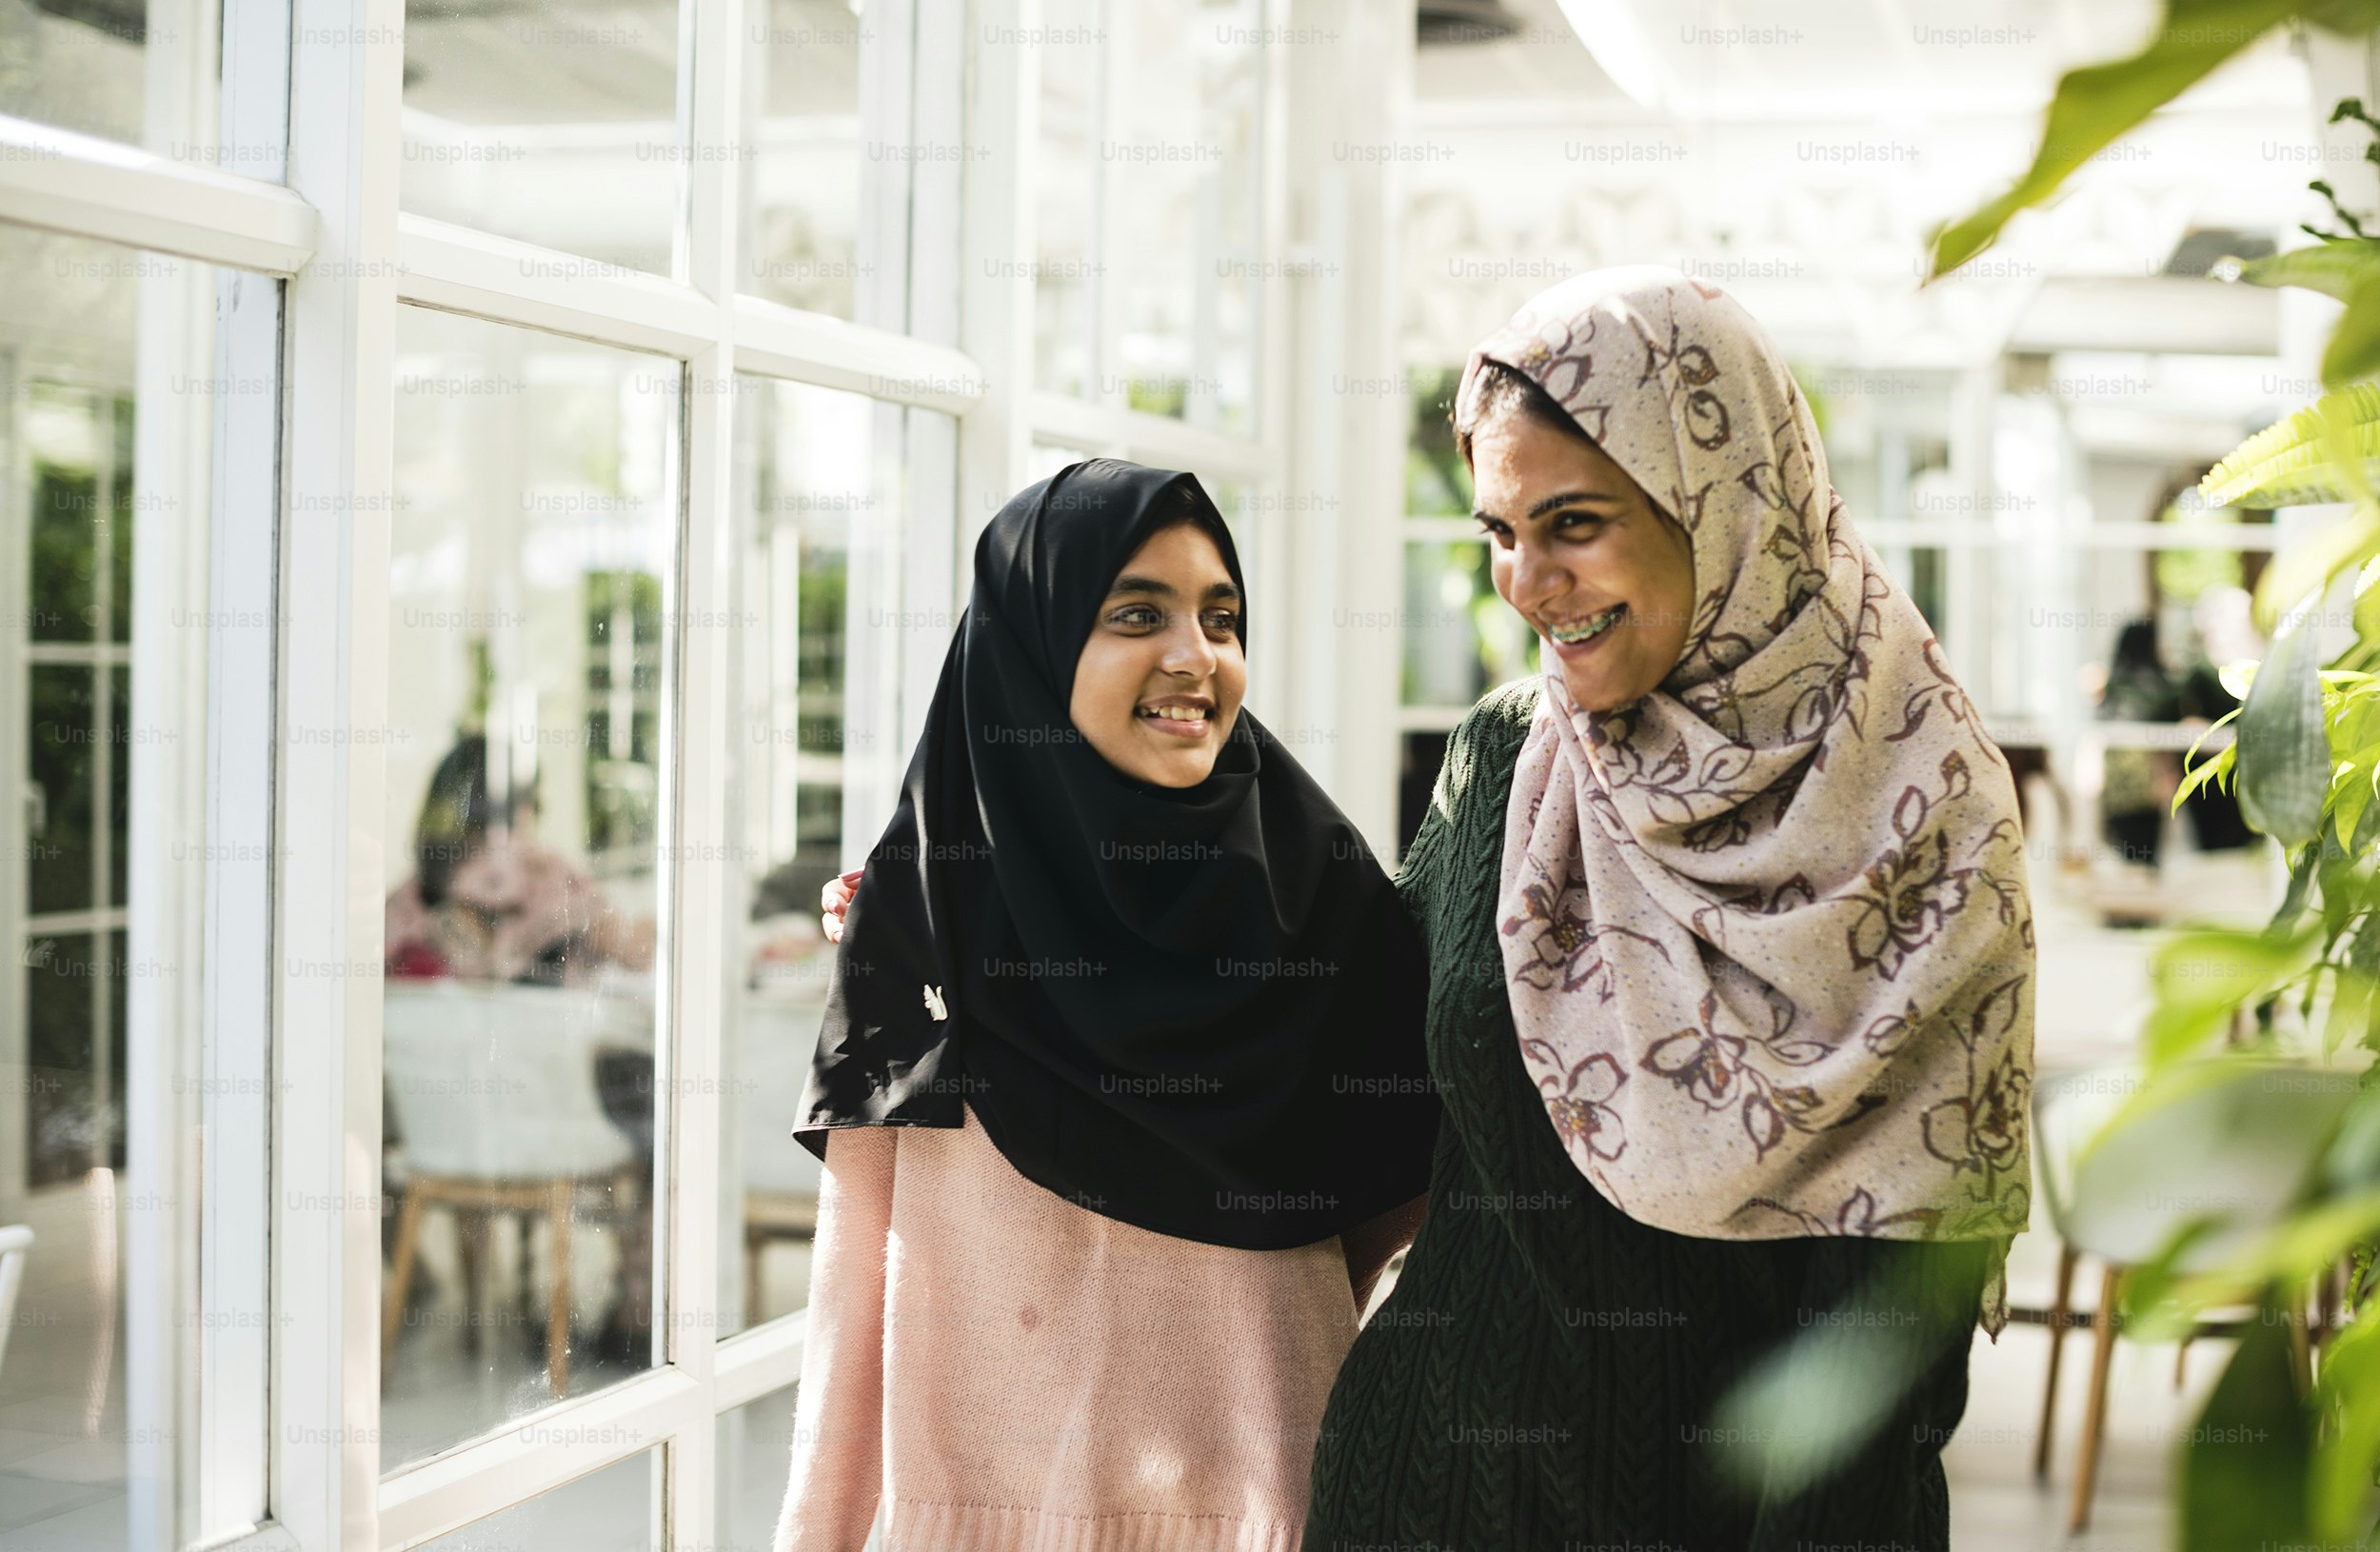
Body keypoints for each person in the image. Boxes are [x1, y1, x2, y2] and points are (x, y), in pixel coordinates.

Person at [1302, 268, 2033, 1548]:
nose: (1525, 581)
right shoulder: (1505, 760)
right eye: (1499, 531)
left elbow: (1885, 1342)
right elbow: (1341, 1080)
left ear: (1724, 498)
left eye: (1573, 523)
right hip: (1413, 1494)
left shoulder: (1924, 818)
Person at [776, 459, 1440, 1552]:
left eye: (1221, 618)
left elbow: (1401, 1240)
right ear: (1030, 647)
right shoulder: (923, 913)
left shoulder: (1327, 901)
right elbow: (856, 1297)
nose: (1196, 655)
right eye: (1137, 614)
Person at [2095, 618, 2182, 871]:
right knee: (2147, 856)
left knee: (2125, 856)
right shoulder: (2158, 686)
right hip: (2148, 782)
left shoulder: (2113, 685)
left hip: (2116, 783)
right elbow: (2169, 735)